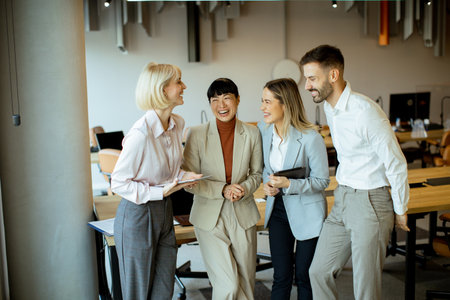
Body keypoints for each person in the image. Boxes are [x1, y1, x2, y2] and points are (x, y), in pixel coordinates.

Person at [299, 45, 410, 300]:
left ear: (333, 75)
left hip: (371, 201)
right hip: (343, 198)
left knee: (365, 289)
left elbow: (396, 162)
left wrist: (400, 208)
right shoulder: (330, 107)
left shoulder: (366, 111)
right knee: (318, 271)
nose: (307, 86)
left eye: (312, 78)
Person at [111, 62, 202, 300]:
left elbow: (169, 173)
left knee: (164, 290)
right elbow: (119, 183)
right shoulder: (140, 134)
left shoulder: (177, 124)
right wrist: (159, 192)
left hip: (165, 210)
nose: (184, 86)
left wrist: (184, 177)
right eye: (178, 81)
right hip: (138, 215)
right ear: (163, 90)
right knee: (138, 293)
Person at [182, 78, 263, 300]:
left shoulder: (252, 133)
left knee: (246, 284)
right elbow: (188, 181)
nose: (221, 105)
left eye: (227, 98)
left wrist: (244, 188)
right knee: (227, 286)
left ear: (237, 100)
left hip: (242, 213)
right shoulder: (196, 134)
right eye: (215, 100)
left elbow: (257, 174)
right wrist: (223, 189)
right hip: (209, 216)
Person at [257, 78, 329, 300]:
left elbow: (322, 181)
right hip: (278, 209)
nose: (262, 108)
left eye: (268, 102)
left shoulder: (310, 138)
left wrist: (289, 184)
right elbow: (263, 169)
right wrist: (268, 183)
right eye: (262, 101)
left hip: (308, 212)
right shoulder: (263, 131)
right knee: (281, 275)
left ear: (285, 104)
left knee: (305, 276)